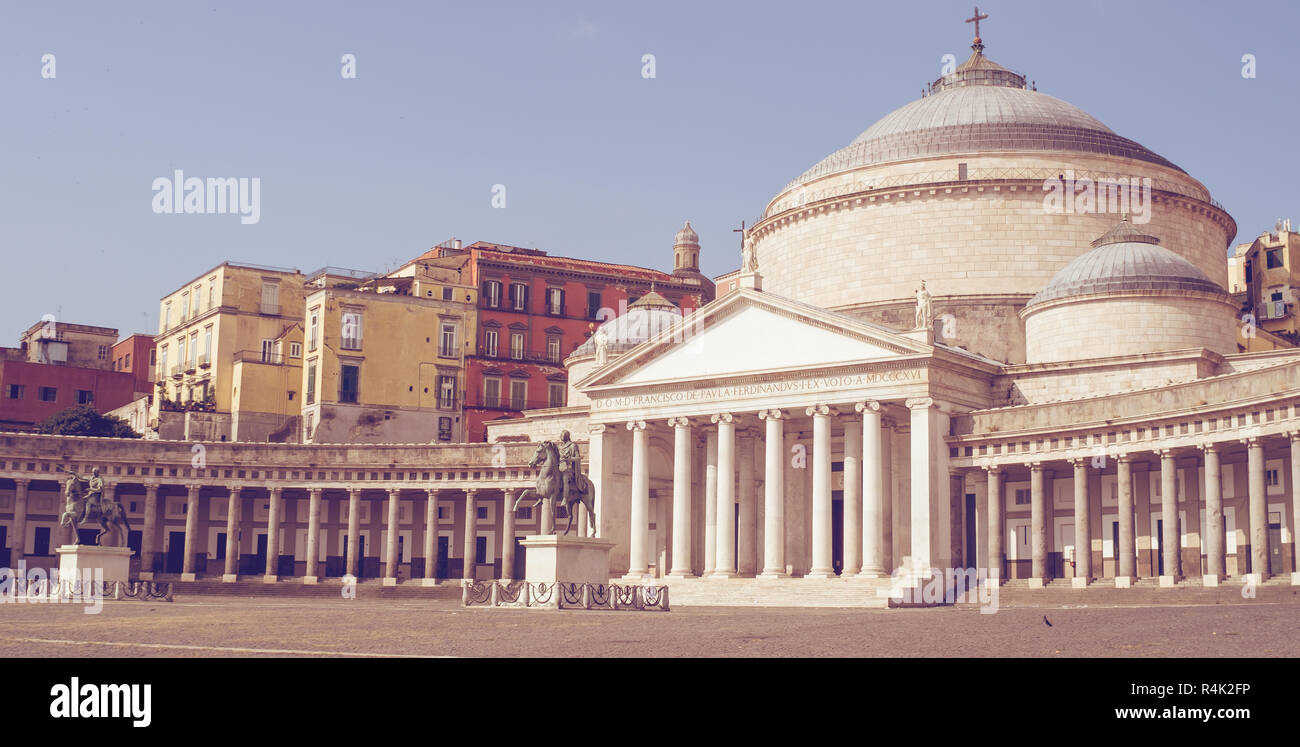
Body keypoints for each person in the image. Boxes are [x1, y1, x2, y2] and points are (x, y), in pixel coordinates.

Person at [555, 430, 582, 506]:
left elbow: (578, 458)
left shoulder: (573, 445)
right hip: (559, 467)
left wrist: (569, 459)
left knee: (565, 476)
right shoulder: (559, 446)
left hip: (569, 468)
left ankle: (565, 497)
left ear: (567, 436)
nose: (562, 437)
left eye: (563, 436)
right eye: (561, 435)